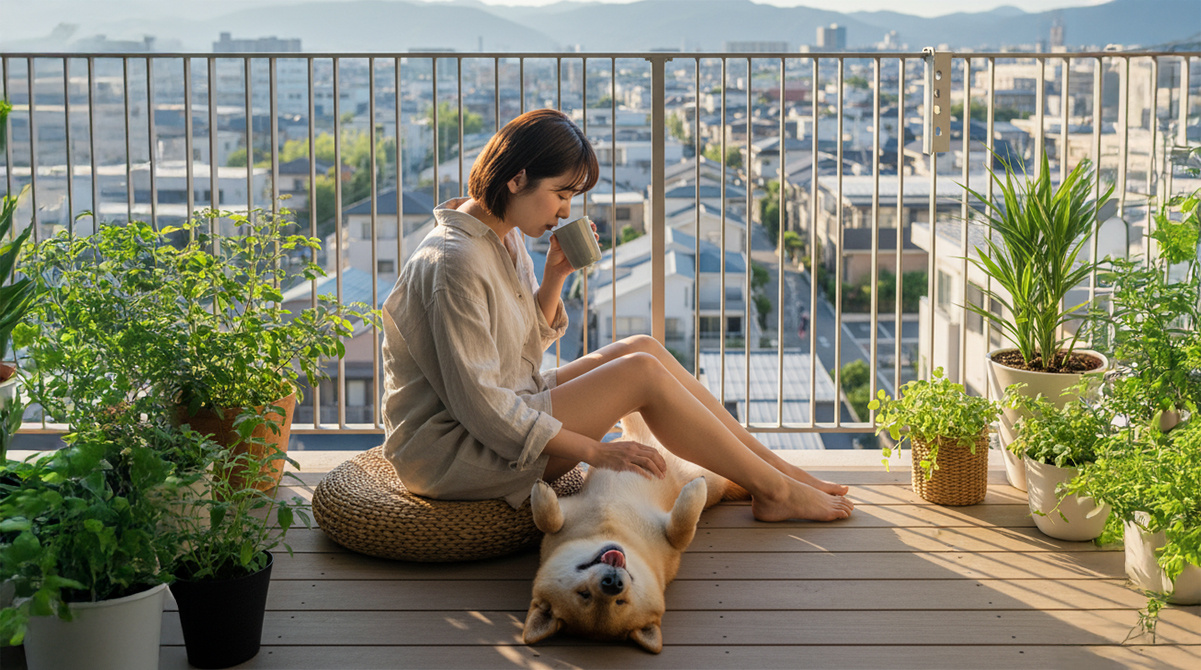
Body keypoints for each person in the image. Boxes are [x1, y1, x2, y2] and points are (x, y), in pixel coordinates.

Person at [380, 108, 853, 522]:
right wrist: (597, 452)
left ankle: (778, 473)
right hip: (451, 451)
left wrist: (553, 280)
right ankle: (776, 491)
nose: (566, 211)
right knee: (640, 375)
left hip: (504, 407)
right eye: (561, 194)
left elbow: (520, 354)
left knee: (642, 348)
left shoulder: (501, 234)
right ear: (517, 178)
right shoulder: (454, 262)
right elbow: (482, 409)